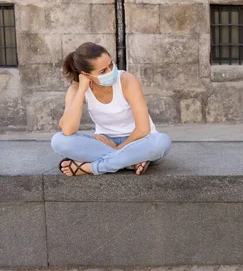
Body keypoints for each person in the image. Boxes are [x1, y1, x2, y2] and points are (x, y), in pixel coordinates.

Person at [51, 42, 171, 176]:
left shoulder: (127, 80)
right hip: (104, 142)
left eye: (111, 64)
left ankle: (91, 168)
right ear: (86, 74)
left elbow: (143, 129)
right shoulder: (75, 90)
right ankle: (130, 162)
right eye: (103, 71)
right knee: (59, 142)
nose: (110, 71)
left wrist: (117, 148)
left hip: (139, 142)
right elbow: (68, 129)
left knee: (161, 142)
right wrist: (82, 90)